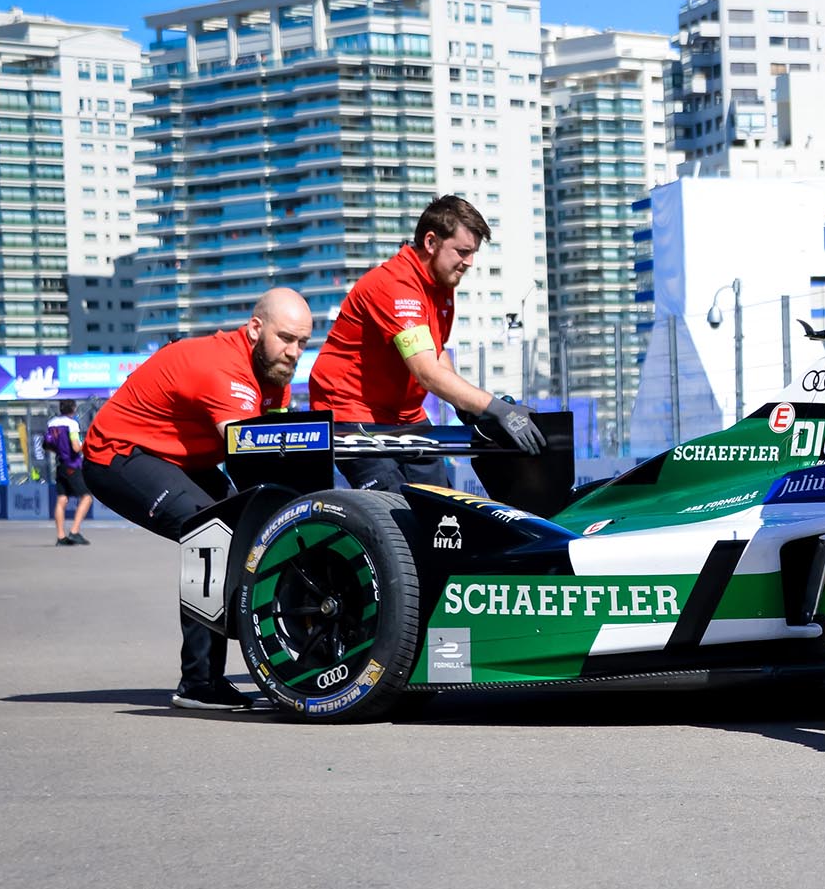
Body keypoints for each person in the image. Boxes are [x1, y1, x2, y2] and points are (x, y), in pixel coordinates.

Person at [82, 289, 315, 712]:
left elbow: (276, 467)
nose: (294, 351)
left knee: (264, 529)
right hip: (118, 454)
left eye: (302, 342)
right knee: (212, 536)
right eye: (285, 338)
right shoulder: (223, 370)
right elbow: (250, 458)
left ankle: (286, 655)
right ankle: (199, 683)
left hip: (182, 458)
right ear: (255, 328)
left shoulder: (274, 376)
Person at [308, 194, 544, 493]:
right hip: (352, 411)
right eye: (462, 251)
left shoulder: (441, 285)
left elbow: (436, 351)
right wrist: (496, 408)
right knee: (397, 511)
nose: (469, 262)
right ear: (431, 242)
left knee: (443, 508)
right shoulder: (396, 285)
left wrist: (468, 407)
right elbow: (426, 372)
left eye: (473, 253)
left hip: (404, 414)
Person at [42, 399, 92, 545]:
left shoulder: (52, 423)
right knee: (86, 497)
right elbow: (76, 447)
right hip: (72, 464)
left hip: (60, 464)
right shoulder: (72, 424)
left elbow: (47, 445)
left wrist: (59, 451)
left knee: (62, 499)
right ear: (73, 409)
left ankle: (60, 536)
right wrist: (88, 446)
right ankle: (75, 531)